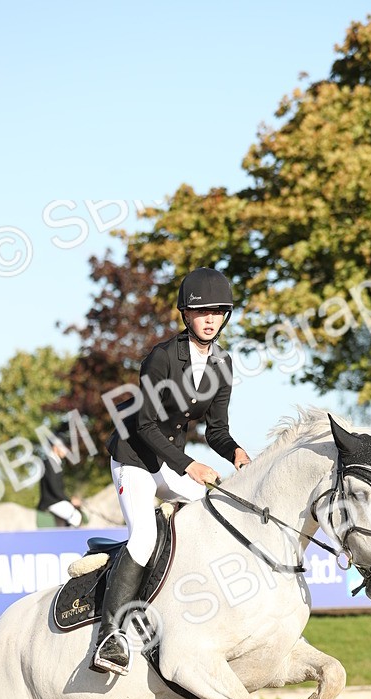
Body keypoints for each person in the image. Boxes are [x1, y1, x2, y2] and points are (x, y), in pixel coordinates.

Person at [90, 267, 251, 676]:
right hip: (134, 459)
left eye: (218, 311)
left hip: (167, 461)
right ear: (186, 315)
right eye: (202, 312)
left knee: (215, 513)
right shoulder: (161, 358)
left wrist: (236, 454)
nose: (210, 318)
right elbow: (144, 427)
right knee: (143, 536)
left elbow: (216, 431)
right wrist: (190, 465)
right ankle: (110, 637)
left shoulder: (223, 365)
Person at [37, 437, 83, 527]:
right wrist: (70, 500)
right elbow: (54, 487)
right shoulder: (50, 463)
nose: (66, 451)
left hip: (56, 500)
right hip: (51, 501)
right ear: (55, 448)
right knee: (76, 516)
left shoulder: (55, 462)